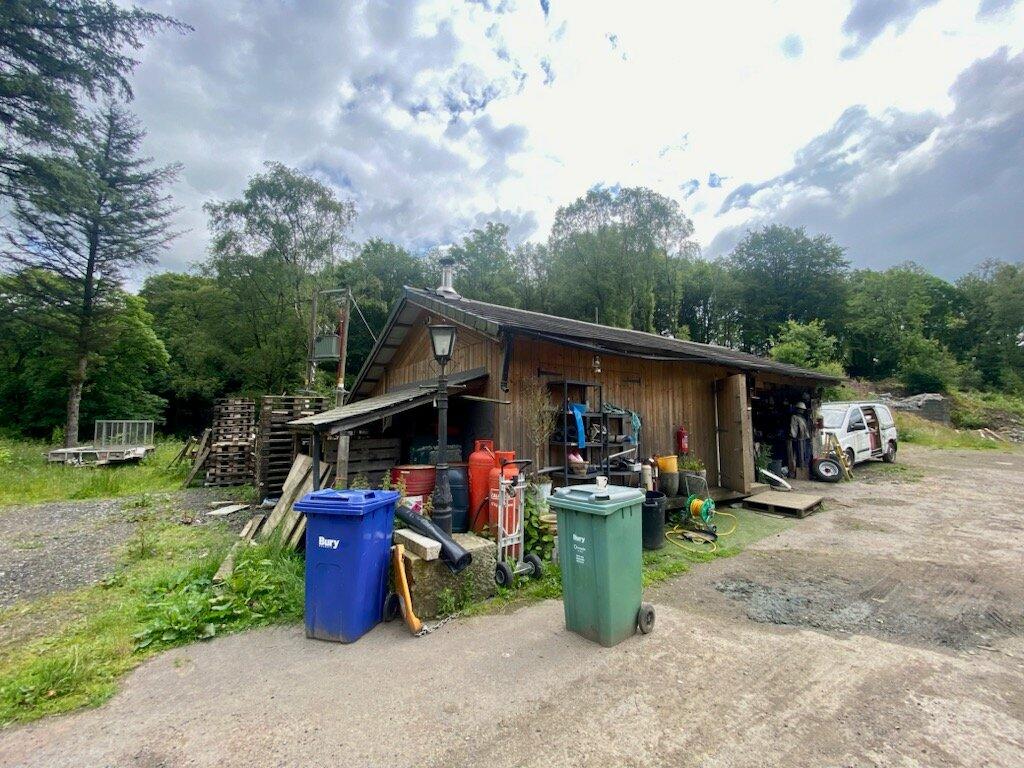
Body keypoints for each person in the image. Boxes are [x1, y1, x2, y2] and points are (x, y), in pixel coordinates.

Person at [787, 402, 810, 475]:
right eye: (801, 409)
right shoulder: (794, 417)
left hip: (804, 438)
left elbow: (805, 428)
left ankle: (802, 469)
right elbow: (794, 428)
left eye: (803, 410)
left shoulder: (803, 418)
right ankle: (796, 470)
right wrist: (793, 435)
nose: (802, 411)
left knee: (803, 455)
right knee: (797, 455)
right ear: (797, 409)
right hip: (798, 439)